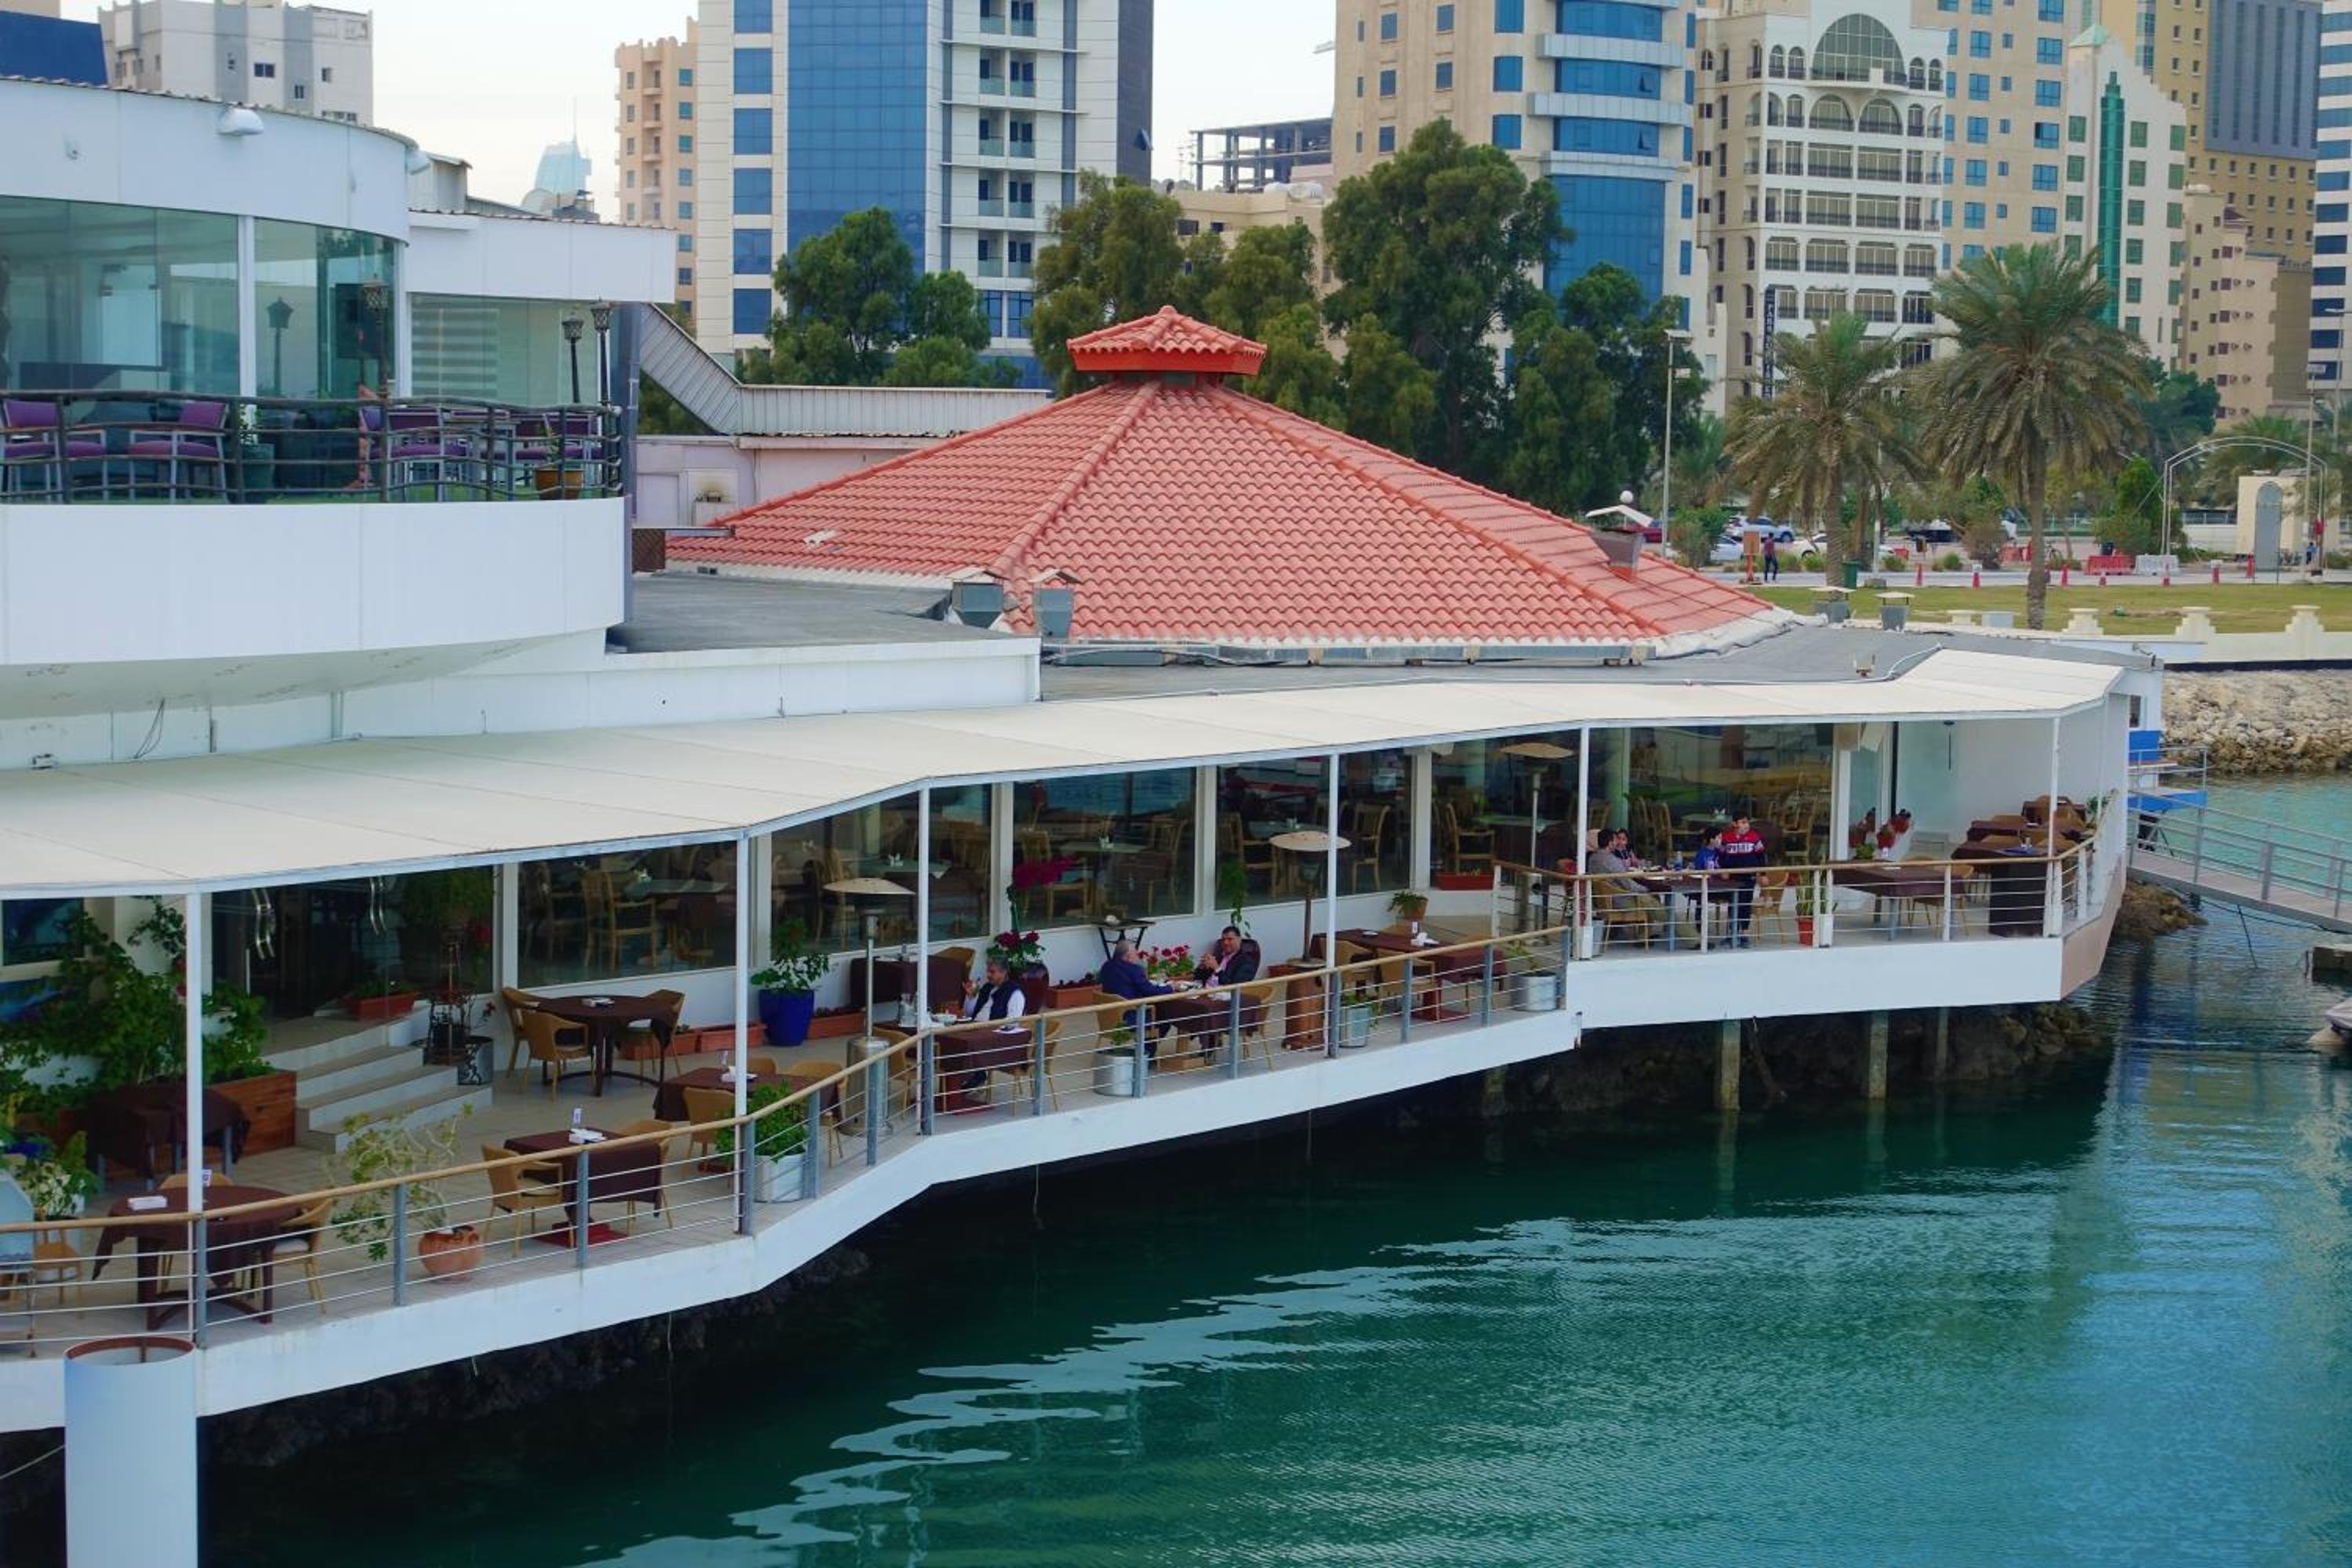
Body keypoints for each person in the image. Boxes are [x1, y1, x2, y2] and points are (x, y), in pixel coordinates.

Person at [1715, 813, 1769, 945]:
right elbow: (1721, 856)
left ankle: (1744, 934)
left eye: (1747, 822)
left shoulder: (1754, 837)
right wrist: (1723, 870)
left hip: (1749, 876)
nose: (1746, 825)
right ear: (1734, 824)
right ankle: (1732, 933)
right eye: (1743, 822)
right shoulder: (1726, 837)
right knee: (1733, 904)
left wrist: (1763, 874)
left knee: (1745, 903)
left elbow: (1761, 856)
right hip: (1732, 877)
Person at [960, 956, 1028, 1022]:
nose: (988, 975)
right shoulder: (987, 987)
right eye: (988, 971)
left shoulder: (1015, 993)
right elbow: (969, 1014)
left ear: (1004, 972)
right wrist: (971, 996)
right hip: (974, 1025)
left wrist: (989, 1028)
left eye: (992, 972)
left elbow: (1013, 1023)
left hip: (992, 1029)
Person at [1194, 925, 1258, 986]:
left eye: (1230, 939)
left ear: (1239, 940)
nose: (1225, 943)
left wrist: (1217, 969)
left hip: (1222, 993)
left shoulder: (1246, 961)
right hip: (1204, 989)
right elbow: (1198, 979)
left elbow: (1234, 986)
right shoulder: (1219, 957)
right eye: (1223, 939)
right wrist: (1202, 967)